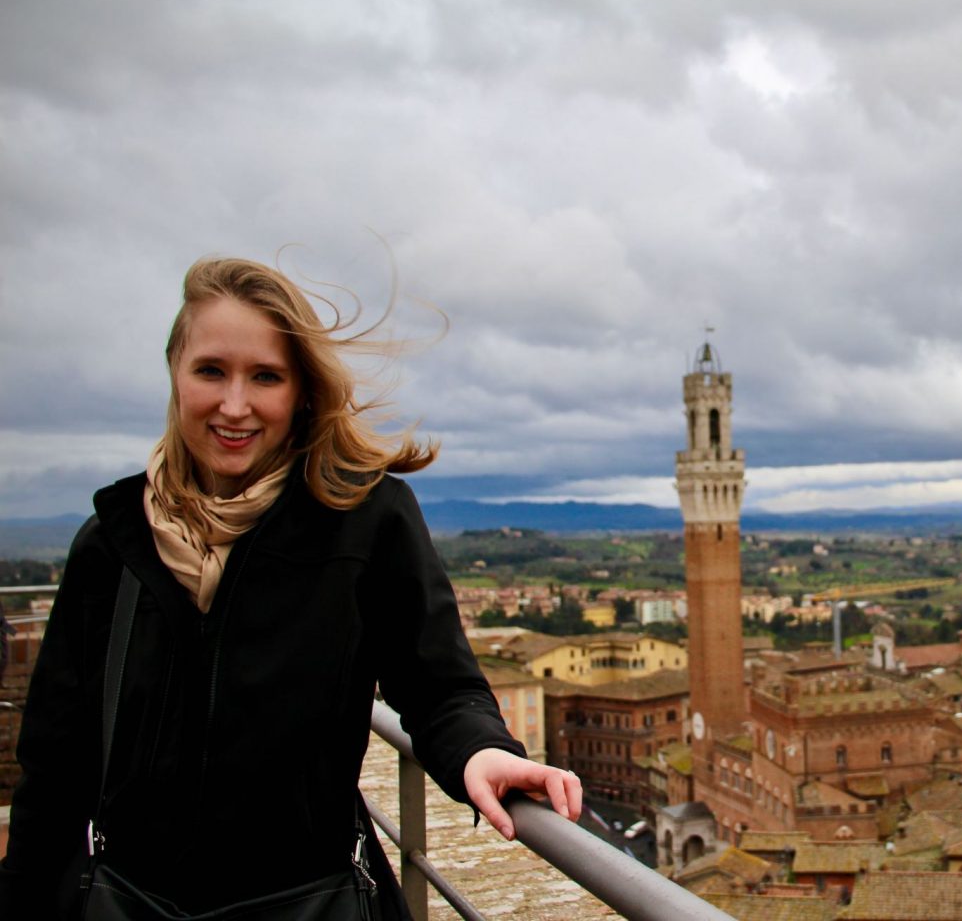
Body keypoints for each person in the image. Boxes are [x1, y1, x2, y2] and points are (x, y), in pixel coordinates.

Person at [0, 257, 582, 918]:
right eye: (211, 370)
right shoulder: (110, 545)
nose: (235, 404)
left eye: (266, 377)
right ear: (175, 374)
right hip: (132, 903)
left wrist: (482, 750)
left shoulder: (365, 523)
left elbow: (439, 687)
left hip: (307, 902)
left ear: (301, 391)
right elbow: (52, 773)